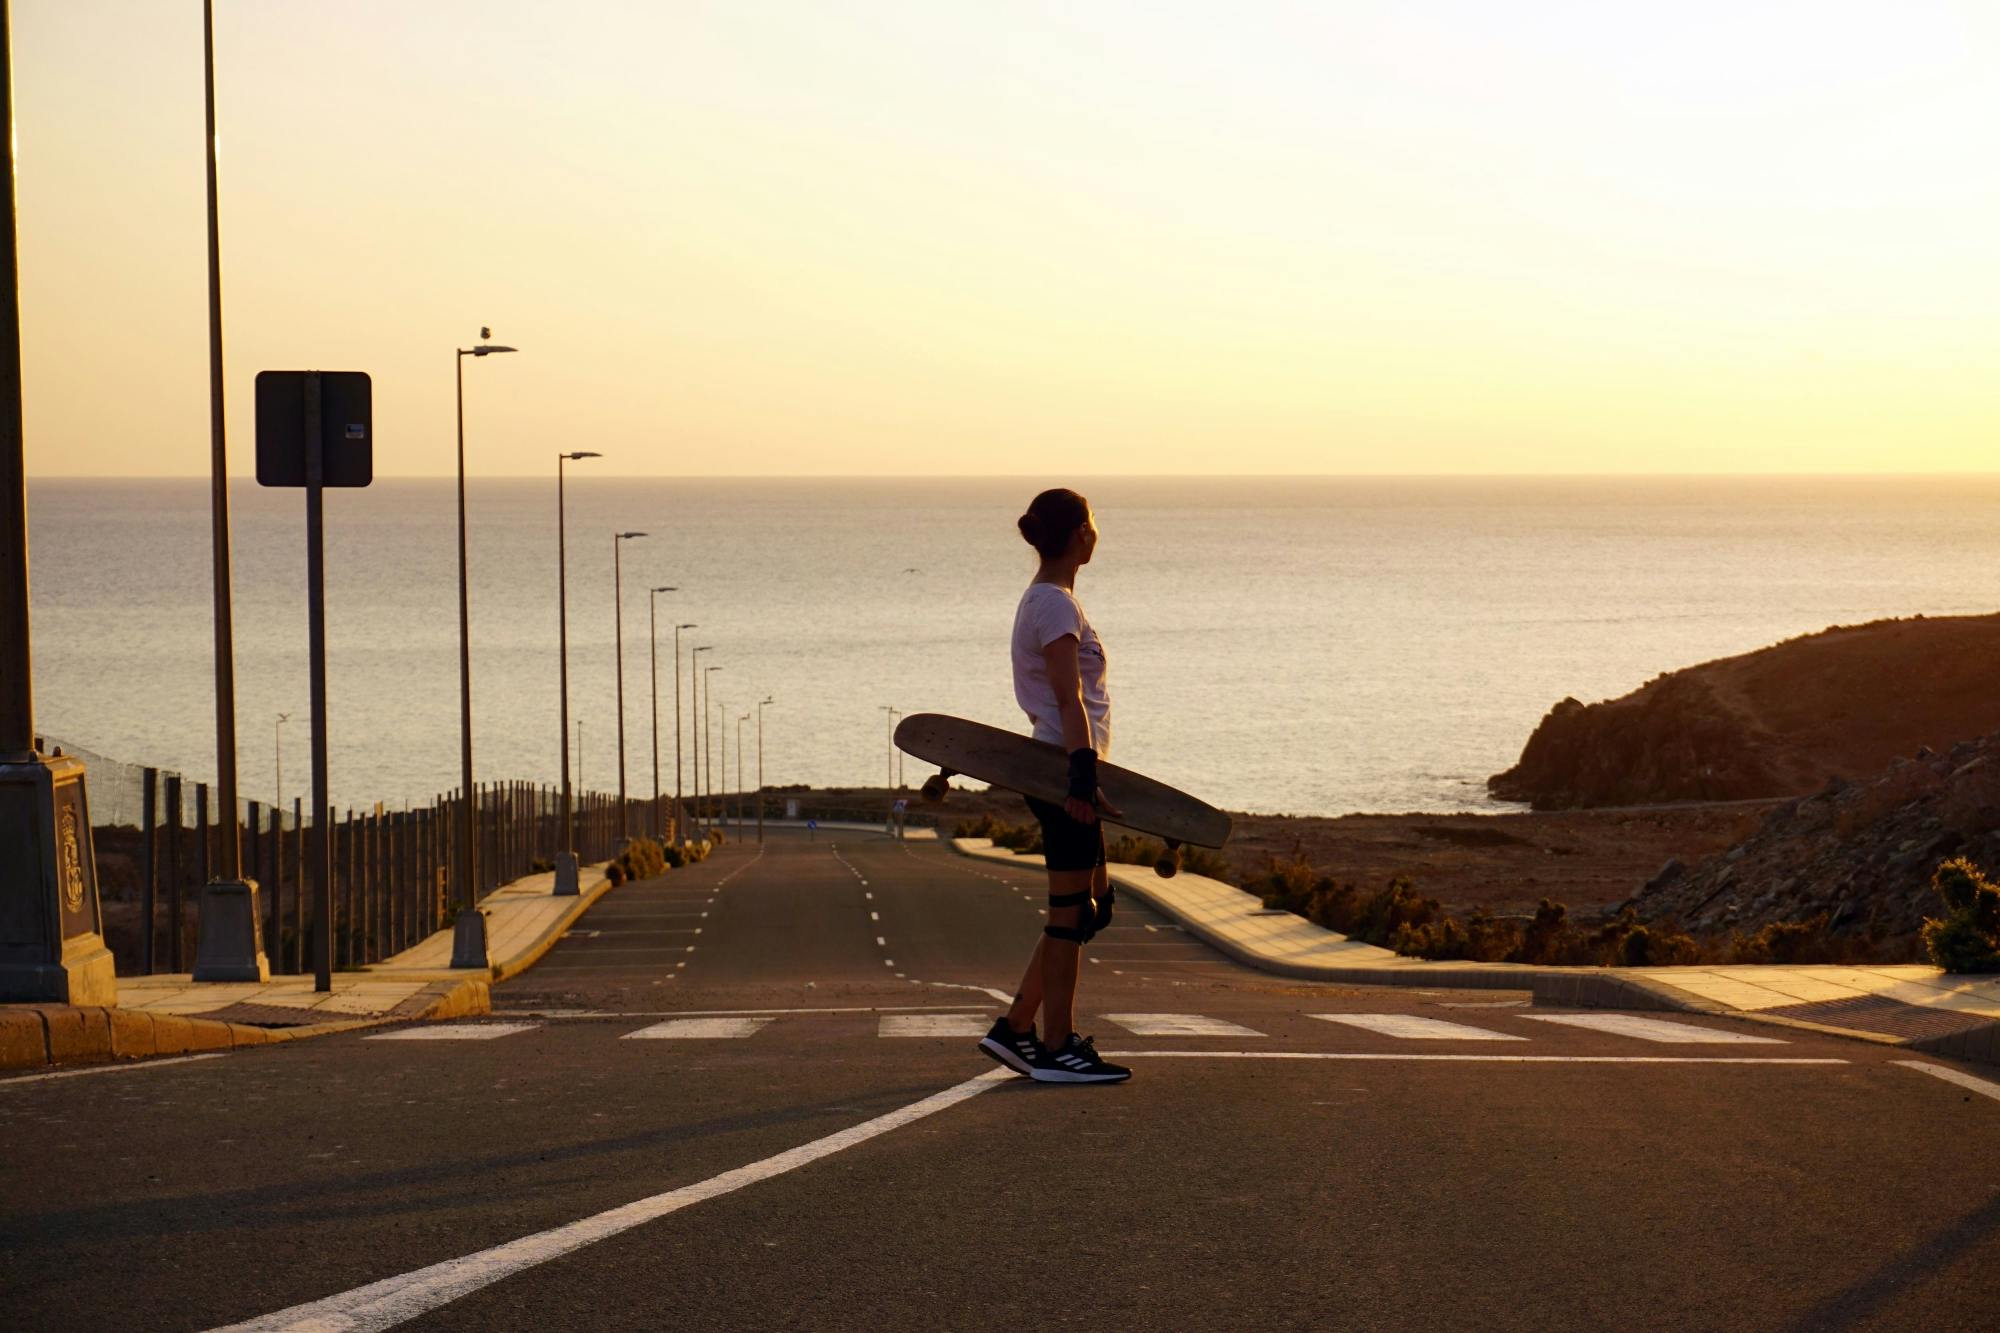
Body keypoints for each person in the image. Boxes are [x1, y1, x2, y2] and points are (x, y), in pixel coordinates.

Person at [977, 488, 1131, 1084]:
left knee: (1088, 910)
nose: (1096, 533)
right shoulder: (1054, 606)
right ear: (1078, 535)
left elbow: (1073, 699)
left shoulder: (1053, 601)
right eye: (1091, 524)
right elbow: (1067, 698)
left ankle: (1017, 1030)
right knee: (1069, 915)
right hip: (1063, 773)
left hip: (1068, 772)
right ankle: (1056, 1044)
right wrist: (1082, 774)